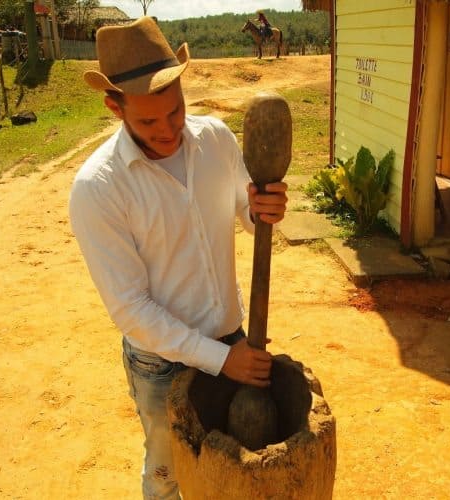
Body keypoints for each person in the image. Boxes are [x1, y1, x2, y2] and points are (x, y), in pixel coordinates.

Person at [69, 17, 288, 499]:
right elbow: (130, 310)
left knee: (226, 474)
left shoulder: (215, 140)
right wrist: (219, 360)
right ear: (114, 107)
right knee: (168, 478)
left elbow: (248, 217)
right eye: (148, 120)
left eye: (175, 111)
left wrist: (263, 210)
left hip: (234, 337)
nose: (168, 130)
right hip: (161, 366)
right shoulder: (98, 188)